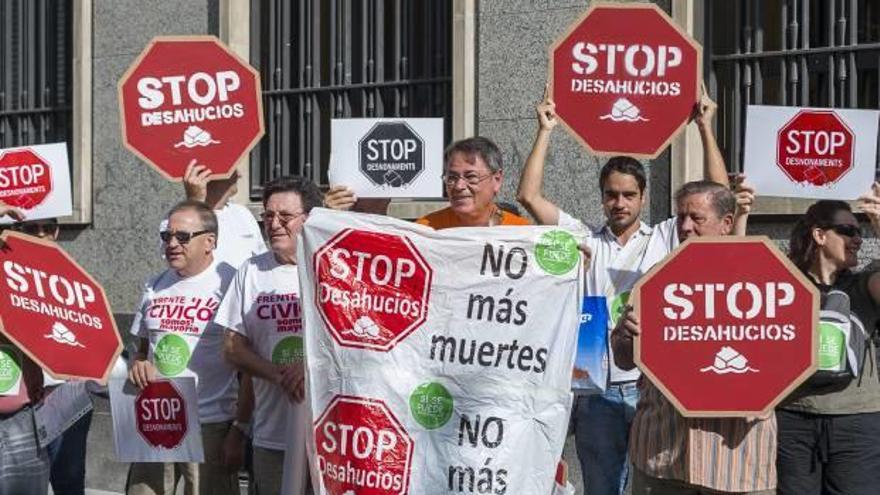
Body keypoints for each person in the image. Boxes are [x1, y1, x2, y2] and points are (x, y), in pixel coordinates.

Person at [516, 87, 727, 495]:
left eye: (629, 194)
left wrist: (704, 127)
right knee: (602, 488)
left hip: (654, 386)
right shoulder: (583, 239)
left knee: (652, 488)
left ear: (643, 197)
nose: (619, 202)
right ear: (601, 198)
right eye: (611, 194)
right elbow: (529, 197)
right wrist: (545, 130)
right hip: (596, 388)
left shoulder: (665, 235)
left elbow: (719, 198)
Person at [610, 180, 771, 494]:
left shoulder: (763, 279)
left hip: (736, 459)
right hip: (662, 455)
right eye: (680, 217)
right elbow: (623, 359)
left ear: (726, 223)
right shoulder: (655, 278)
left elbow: (785, 355)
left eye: (696, 218)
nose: (684, 227)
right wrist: (626, 337)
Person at [216, 176, 323, 495]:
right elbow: (233, 349)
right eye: (268, 216)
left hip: (326, 439)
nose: (274, 224)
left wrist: (308, 368)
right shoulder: (250, 272)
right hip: (271, 436)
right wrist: (279, 375)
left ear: (309, 219)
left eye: (285, 217)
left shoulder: (332, 267)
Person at [128, 200, 241, 495]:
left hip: (209, 424)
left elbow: (246, 358)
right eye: (167, 236)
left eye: (182, 237)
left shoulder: (231, 283)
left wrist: (240, 428)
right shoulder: (155, 284)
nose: (172, 244)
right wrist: (138, 362)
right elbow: (140, 349)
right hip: (156, 418)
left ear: (209, 241)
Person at [775, 188, 880, 494]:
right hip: (793, 418)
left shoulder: (864, 282)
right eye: (848, 231)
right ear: (819, 235)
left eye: (859, 232)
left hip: (857, 421)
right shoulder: (783, 284)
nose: (857, 240)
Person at [11, 218, 94, 495]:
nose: (41, 234)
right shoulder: (7, 275)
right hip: (21, 402)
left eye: (47, 227)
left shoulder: (74, 277)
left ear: (57, 230)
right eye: (31, 228)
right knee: (22, 486)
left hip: (65, 396)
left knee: (68, 483)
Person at [417, 136, 530, 228]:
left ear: (497, 180)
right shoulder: (427, 231)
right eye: (452, 177)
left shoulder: (519, 231)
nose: (459, 186)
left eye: (471, 177)